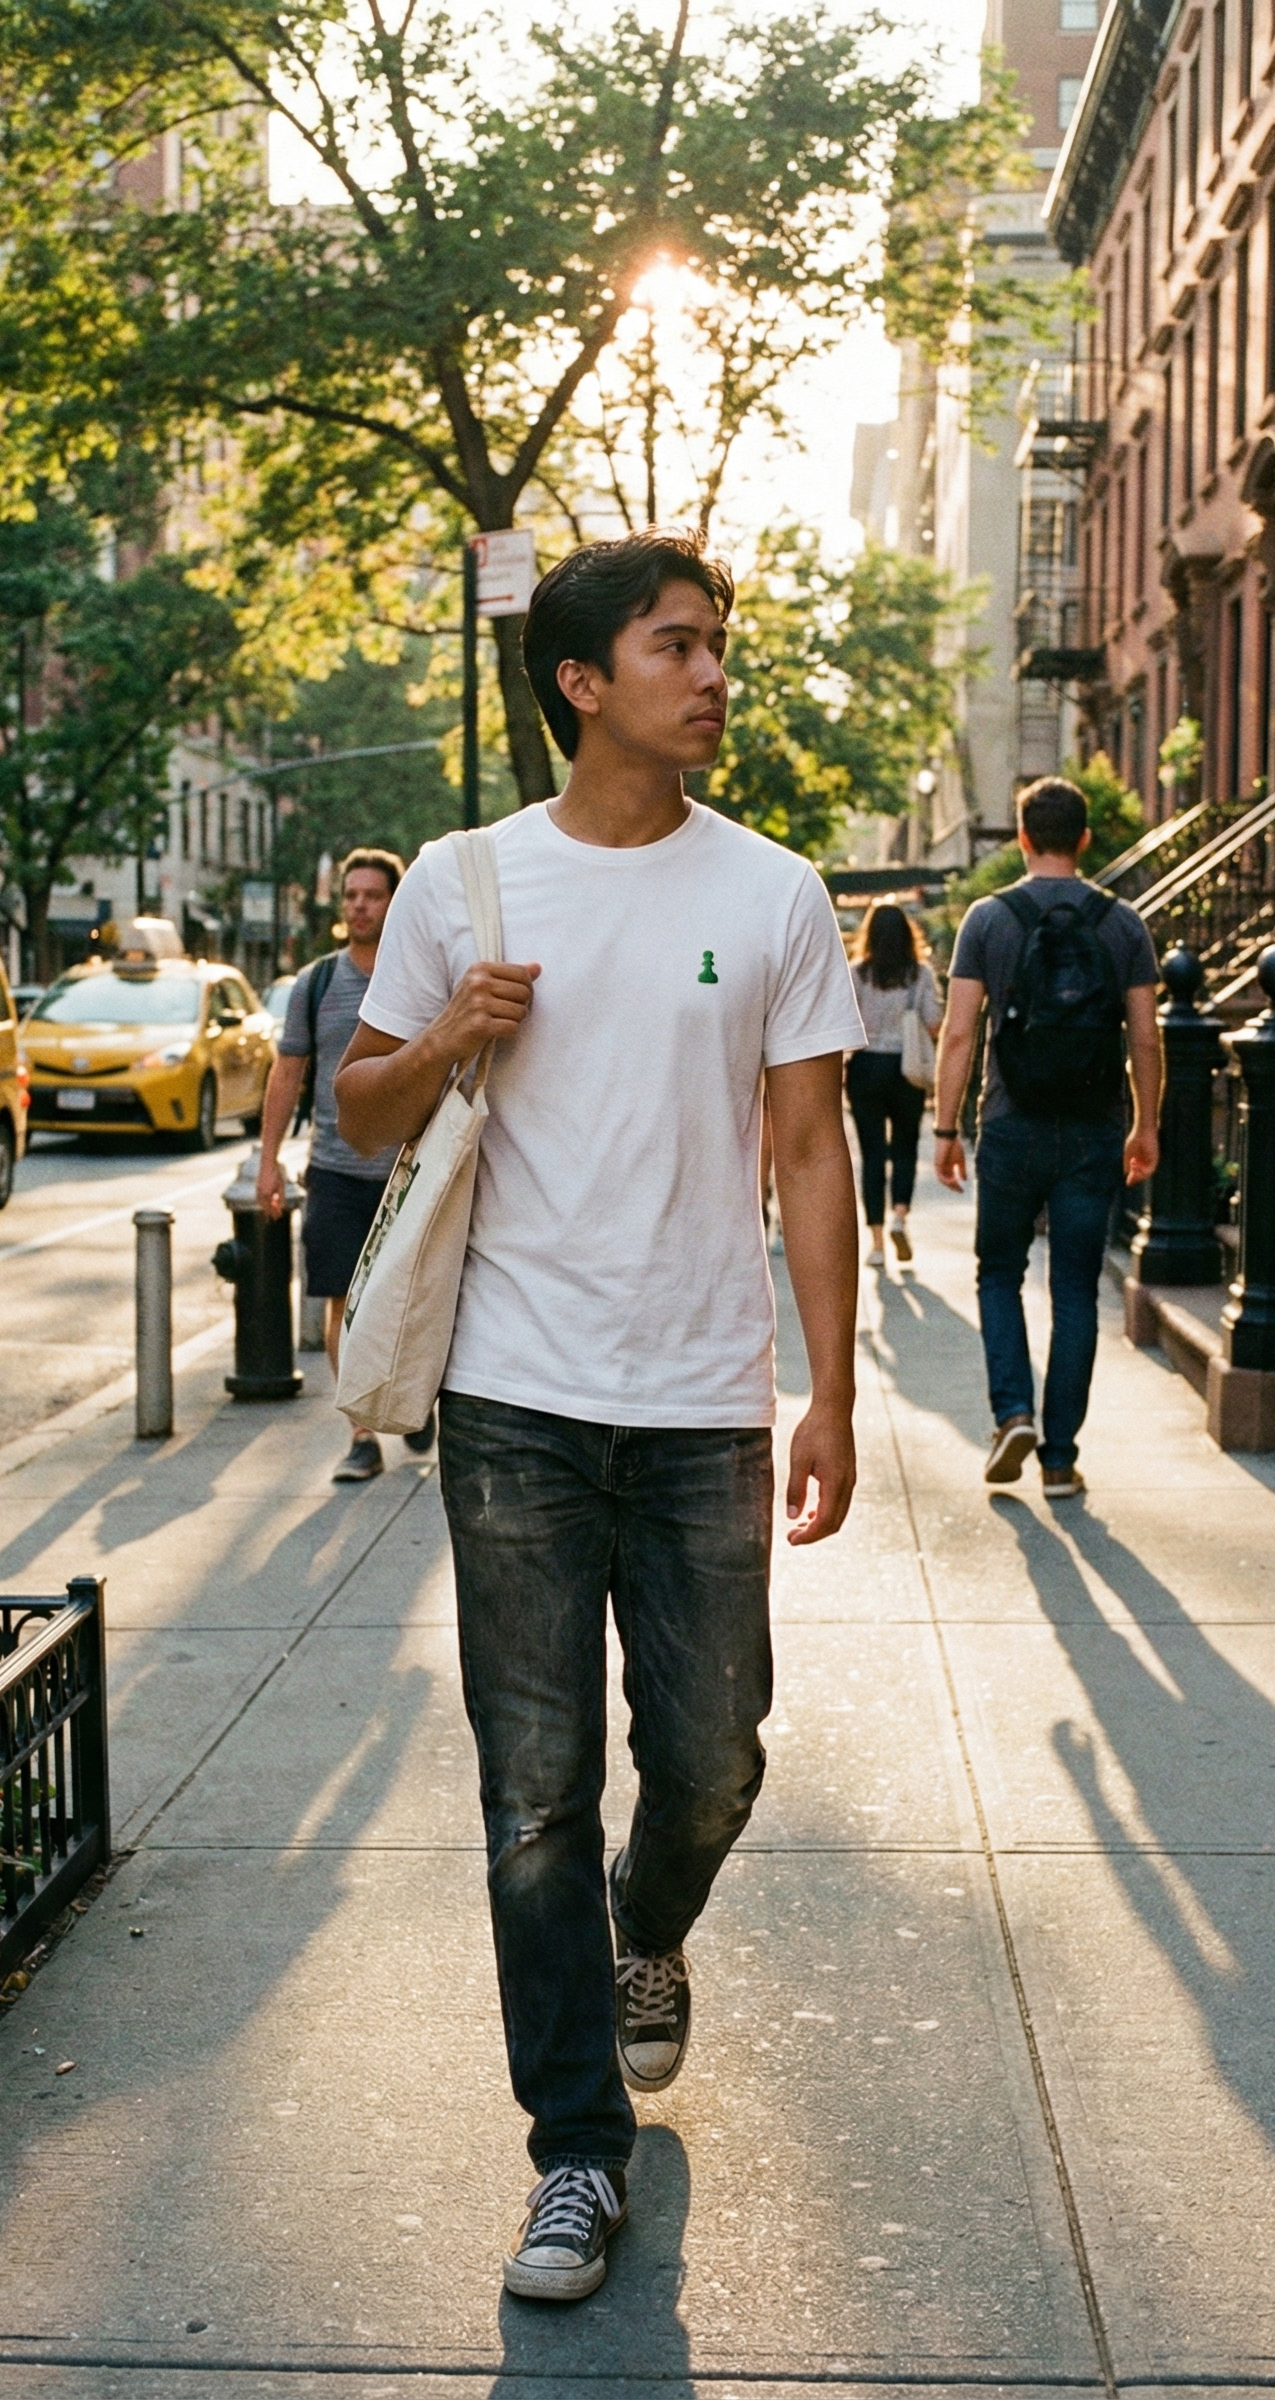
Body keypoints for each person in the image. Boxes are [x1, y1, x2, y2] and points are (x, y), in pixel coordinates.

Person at [334, 530, 863, 2304]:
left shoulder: (775, 891)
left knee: (712, 1758)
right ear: (581, 683)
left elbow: (806, 1151)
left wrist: (832, 1393)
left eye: (719, 646)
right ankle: (575, 2153)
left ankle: (651, 1936)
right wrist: (446, 1038)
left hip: (706, 1399)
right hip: (517, 1410)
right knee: (531, 1796)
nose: (714, 676)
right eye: (678, 648)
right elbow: (358, 1115)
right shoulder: (466, 885)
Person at [932, 775, 1161, 1500]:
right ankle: (1059, 1458)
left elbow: (961, 1031)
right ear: (1084, 840)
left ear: (1023, 838)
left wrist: (945, 1127)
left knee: (998, 1273)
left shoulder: (989, 920)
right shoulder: (1122, 924)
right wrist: (1144, 1123)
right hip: (1093, 1132)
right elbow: (1147, 1038)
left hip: (1009, 1126)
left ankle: (1012, 1412)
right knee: (1074, 1291)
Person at [255, 846, 431, 1482]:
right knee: (340, 1303)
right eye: (351, 895)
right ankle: (361, 1432)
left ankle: (414, 1401)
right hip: (333, 1169)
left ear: (395, 900)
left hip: (409, 1172)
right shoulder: (317, 983)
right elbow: (289, 1071)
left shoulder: (421, 975)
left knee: (415, 1303)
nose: (359, 905)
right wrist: (267, 1160)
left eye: (373, 895)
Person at [846, 904, 941, 1269]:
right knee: (904, 1146)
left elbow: (843, 1023)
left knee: (871, 1155)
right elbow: (934, 1024)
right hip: (907, 1068)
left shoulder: (857, 974)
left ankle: (875, 1244)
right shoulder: (920, 975)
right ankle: (900, 1216)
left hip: (866, 1067)